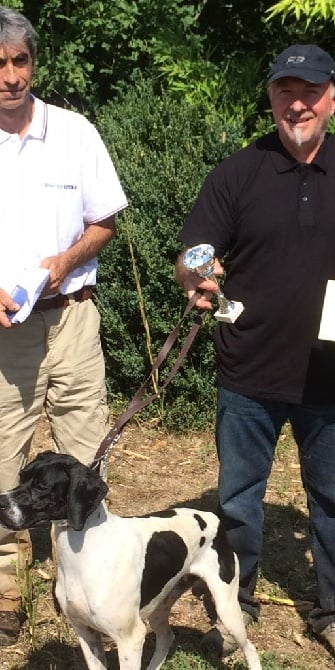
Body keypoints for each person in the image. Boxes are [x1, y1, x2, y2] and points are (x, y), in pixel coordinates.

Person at [175, 44, 335, 668]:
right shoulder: (236, 174)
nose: (298, 102)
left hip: (333, 375)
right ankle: (239, 608)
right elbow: (192, 252)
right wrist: (200, 272)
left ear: (334, 97)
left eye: (310, 91)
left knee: (334, 504)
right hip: (248, 370)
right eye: (286, 90)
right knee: (236, 500)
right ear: (271, 98)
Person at [0, 6, 127, 645]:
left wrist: (64, 263)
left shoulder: (75, 132)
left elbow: (104, 220)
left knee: (87, 462)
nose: (11, 75)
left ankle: (94, 594)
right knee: (0, 465)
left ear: (34, 64)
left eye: (20, 61)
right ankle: (7, 597)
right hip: (4, 338)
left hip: (72, 319)